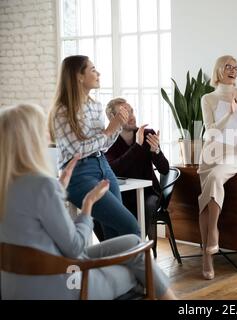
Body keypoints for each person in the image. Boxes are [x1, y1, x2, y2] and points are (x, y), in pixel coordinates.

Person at [0, 103, 176, 299]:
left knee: (133, 242)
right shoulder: (42, 185)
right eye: (42, 130)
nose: (49, 136)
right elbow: (75, 247)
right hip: (64, 281)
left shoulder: (10, 186)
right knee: (139, 269)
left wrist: (57, 189)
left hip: (15, 285)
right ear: (29, 139)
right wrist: (87, 206)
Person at [48, 55, 140, 240]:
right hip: (79, 174)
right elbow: (77, 151)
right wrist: (109, 130)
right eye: (92, 69)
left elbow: (103, 146)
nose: (98, 73)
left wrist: (117, 126)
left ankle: (113, 269)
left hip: (103, 165)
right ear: (78, 76)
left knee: (114, 234)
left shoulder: (95, 106)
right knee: (130, 227)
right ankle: (141, 270)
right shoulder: (62, 111)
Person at [198, 55, 237, 280]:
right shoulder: (207, 98)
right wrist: (230, 114)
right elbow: (210, 129)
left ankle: (213, 232)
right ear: (219, 70)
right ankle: (207, 256)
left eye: (236, 68)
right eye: (228, 67)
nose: (233, 71)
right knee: (205, 199)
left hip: (233, 154)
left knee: (213, 181)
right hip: (210, 153)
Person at [103, 97, 169, 240]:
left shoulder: (147, 134)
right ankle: (115, 250)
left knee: (148, 205)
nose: (132, 116)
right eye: (125, 113)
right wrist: (137, 147)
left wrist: (156, 150)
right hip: (122, 195)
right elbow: (114, 170)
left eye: (131, 111)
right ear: (113, 118)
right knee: (100, 211)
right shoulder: (108, 141)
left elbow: (164, 169)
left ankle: (136, 246)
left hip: (148, 193)